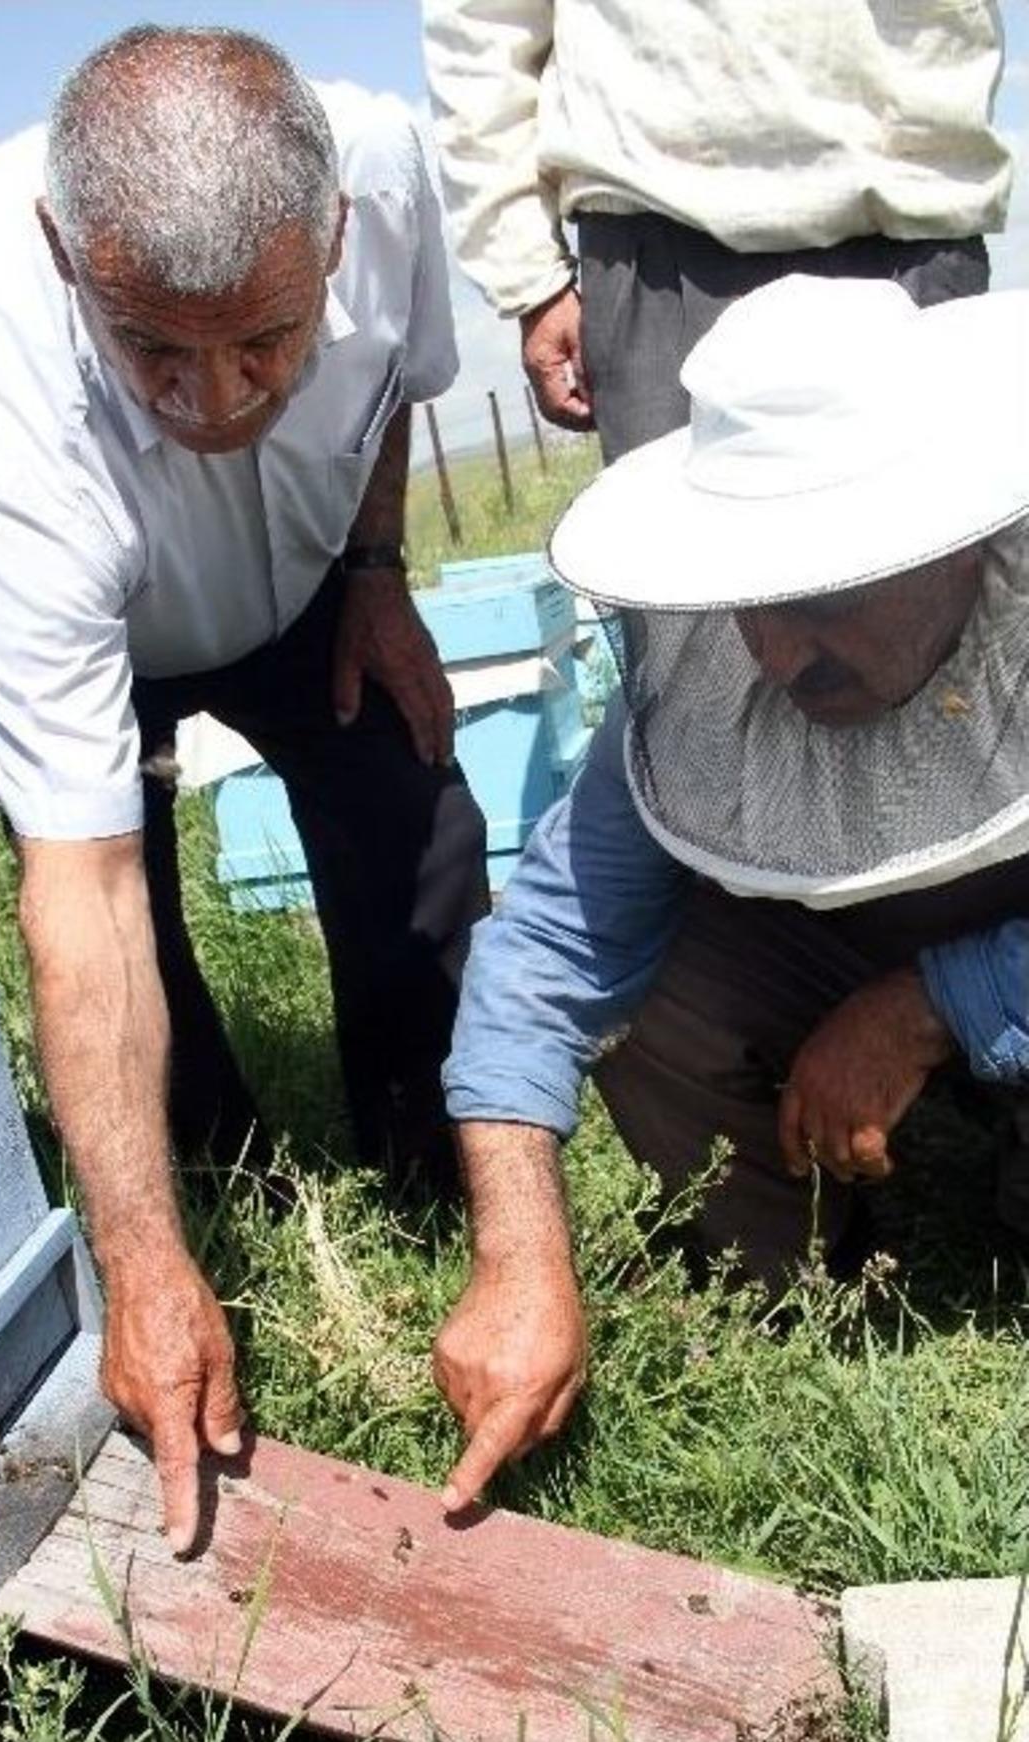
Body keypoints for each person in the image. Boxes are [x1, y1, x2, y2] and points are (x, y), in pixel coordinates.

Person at [0, 25, 489, 1553]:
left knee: (414, 824)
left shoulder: (390, 177)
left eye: (267, 343)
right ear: (62, 251)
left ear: (339, 238)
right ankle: (204, 1184)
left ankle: (430, 1152)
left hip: (309, 580)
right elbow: (80, 893)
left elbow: (401, 387)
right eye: (155, 349)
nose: (218, 399)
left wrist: (376, 568)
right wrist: (141, 1257)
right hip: (104, 610)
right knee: (135, 910)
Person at [431, 275, 1029, 1514]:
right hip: (853, 979)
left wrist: (931, 1003)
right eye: (752, 594)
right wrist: (522, 1249)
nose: (775, 648)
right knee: (657, 992)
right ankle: (805, 1292)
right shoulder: (713, 675)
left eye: (821, 595)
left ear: (957, 535)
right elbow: (548, 940)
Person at [422, 0, 1012, 458]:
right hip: (655, 238)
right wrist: (528, 277)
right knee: (691, 595)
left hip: (914, 211)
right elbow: (479, 25)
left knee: (938, 582)